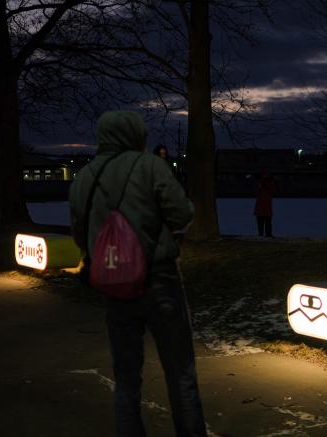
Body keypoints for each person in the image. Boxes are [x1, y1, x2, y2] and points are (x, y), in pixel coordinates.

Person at [69, 111, 207, 437]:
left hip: (115, 286)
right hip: (159, 281)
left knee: (126, 379)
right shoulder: (149, 166)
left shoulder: (84, 177)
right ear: (136, 135)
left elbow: (80, 236)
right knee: (180, 373)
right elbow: (182, 212)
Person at [254, 172, 276, 237]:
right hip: (263, 206)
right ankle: (264, 233)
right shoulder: (259, 184)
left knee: (264, 221)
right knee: (264, 221)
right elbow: (255, 192)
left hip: (263, 206)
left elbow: (274, 192)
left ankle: (266, 233)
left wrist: (266, 186)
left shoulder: (270, 184)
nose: (264, 180)